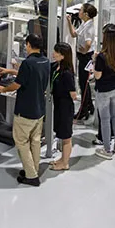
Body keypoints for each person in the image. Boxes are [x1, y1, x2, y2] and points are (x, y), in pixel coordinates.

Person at [0, 33, 50, 185]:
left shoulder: (27, 63)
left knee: (21, 142)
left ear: (28, 45)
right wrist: (10, 71)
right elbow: (30, 75)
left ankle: (31, 176)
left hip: (26, 111)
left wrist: (2, 89)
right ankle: (32, 168)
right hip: (39, 109)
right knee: (35, 141)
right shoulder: (45, 61)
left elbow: (17, 85)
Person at [93, 24, 115, 160]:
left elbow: (97, 76)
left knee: (105, 120)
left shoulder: (101, 57)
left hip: (104, 91)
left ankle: (107, 149)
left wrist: (94, 62)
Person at [66, 3, 98, 121]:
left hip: (86, 58)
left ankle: (83, 111)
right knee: (84, 83)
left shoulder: (89, 27)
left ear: (85, 14)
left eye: (80, 10)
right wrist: (69, 22)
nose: (78, 12)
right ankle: (89, 106)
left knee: (83, 84)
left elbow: (88, 43)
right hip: (83, 57)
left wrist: (84, 51)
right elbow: (74, 34)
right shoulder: (85, 24)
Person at [49, 42, 76, 171]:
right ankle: (62, 159)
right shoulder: (55, 67)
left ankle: (65, 163)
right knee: (61, 133)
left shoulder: (67, 73)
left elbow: (73, 94)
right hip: (58, 105)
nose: (53, 54)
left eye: (56, 52)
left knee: (66, 137)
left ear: (63, 56)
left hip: (66, 107)